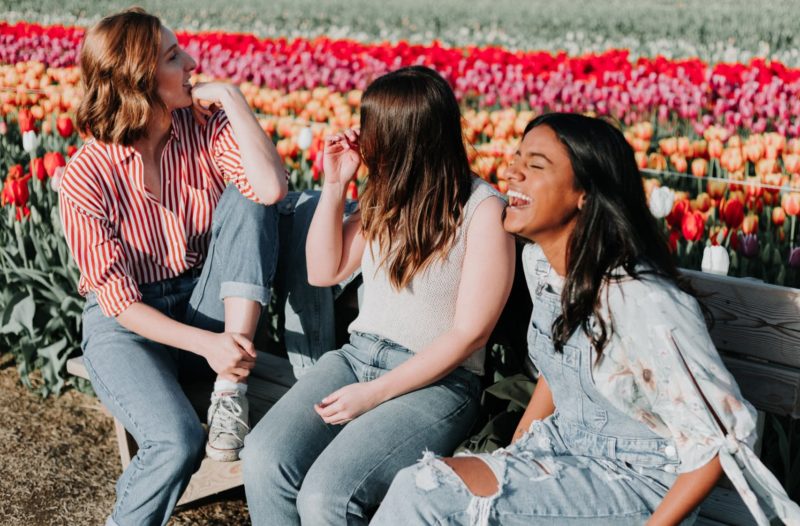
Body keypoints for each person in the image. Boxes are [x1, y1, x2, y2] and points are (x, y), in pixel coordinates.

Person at [372, 113, 800, 525]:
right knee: (424, 487)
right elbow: (561, 371)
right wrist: (516, 451)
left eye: (535, 164)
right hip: (563, 452)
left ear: (586, 194)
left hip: (639, 484)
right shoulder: (541, 266)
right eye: (517, 158)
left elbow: (715, 441)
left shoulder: (641, 301)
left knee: (424, 491)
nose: (513, 171)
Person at [241, 65, 515, 525]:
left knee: (327, 495)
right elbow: (323, 270)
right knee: (264, 459)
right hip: (354, 359)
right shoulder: (386, 197)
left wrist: (374, 394)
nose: (361, 138)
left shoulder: (483, 210)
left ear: (405, 138)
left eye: (371, 127)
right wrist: (334, 185)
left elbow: (470, 334)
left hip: (437, 382)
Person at [58, 8, 287, 526]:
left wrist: (231, 97)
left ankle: (229, 391)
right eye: (172, 56)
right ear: (138, 79)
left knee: (249, 198)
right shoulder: (85, 178)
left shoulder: (203, 128)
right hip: (130, 327)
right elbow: (118, 302)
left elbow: (269, 191)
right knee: (177, 441)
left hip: (203, 301)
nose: (192, 62)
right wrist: (208, 345)